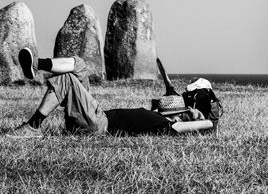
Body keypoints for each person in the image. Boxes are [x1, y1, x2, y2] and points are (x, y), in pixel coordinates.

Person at [5, 48, 212, 138]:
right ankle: (36, 65)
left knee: (67, 79)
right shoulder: (160, 114)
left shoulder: (164, 124)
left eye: (193, 113)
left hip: (98, 124)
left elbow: (194, 125)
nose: (194, 112)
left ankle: (33, 126)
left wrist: (207, 122)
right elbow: (169, 94)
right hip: (96, 116)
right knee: (80, 66)